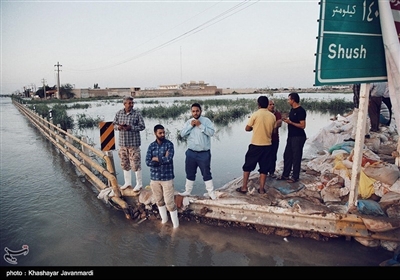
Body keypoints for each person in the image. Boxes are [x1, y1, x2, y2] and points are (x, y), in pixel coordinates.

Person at [236, 96, 276, 194]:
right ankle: (261, 189)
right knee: (264, 168)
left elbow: (247, 128)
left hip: (256, 145)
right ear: (267, 104)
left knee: (247, 166)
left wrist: (255, 128)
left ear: (258, 105)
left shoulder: (255, 114)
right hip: (267, 145)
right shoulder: (272, 116)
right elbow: (274, 131)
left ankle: (244, 187)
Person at [179, 103, 217, 200]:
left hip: (203, 153)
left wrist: (200, 126)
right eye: (193, 111)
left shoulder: (206, 121)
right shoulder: (188, 122)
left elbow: (212, 133)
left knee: (206, 173)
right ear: (191, 112)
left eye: (197, 111)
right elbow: (182, 134)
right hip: (191, 153)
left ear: (201, 111)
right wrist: (190, 126)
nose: (195, 113)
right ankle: (187, 191)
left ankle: (211, 192)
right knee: (190, 172)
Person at [146, 124, 179, 228]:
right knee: (159, 201)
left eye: (164, 132)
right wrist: (161, 159)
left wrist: (156, 159)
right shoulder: (151, 146)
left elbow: (169, 159)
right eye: (160, 133)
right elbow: (147, 162)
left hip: (167, 178)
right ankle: (164, 220)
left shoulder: (169, 144)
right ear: (155, 133)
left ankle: (176, 226)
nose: (163, 134)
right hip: (155, 178)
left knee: (169, 202)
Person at [113, 96, 146, 191]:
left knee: (135, 164)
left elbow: (142, 126)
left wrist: (131, 127)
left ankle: (139, 184)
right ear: (124, 104)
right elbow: (113, 125)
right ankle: (127, 183)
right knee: (124, 163)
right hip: (122, 144)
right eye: (129, 103)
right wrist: (119, 127)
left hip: (134, 144)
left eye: (132, 103)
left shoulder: (137, 114)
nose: (131, 105)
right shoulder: (119, 113)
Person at [278, 92, 307, 183]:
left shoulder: (300, 110)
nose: (288, 101)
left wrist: (291, 123)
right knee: (287, 155)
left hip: (298, 136)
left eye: (289, 99)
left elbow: (302, 125)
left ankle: (295, 177)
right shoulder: (292, 110)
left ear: (293, 100)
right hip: (291, 136)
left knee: (296, 156)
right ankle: (285, 175)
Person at [266, 99, 282, 178]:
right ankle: (264, 171)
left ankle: (271, 171)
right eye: (270, 104)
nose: (272, 106)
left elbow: (279, 123)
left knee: (273, 156)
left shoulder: (277, 113)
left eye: (273, 104)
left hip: (275, 139)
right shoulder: (264, 114)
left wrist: (274, 126)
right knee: (265, 156)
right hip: (265, 139)